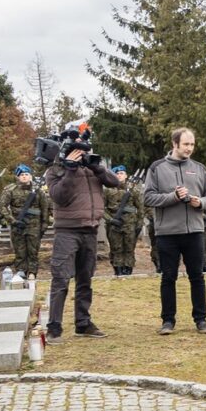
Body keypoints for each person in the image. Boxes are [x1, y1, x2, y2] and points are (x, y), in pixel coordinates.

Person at [44, 135, 121, 344]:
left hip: (91, 230)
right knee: (60, 279)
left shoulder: (91, 167)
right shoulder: (55, 170)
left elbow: (115, 182)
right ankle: (54, 328)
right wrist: (70, 169)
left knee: (85, 279)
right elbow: (59, 196)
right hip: (67, 231)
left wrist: (97, 167)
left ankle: (83, 323)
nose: (82, 152)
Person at [143, 128, 206, 336]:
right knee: (168, 277)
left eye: (192, 144)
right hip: (167, 233)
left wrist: (199, 202)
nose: (190, 149)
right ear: (174, 144)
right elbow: (148, 197)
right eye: (186, 144)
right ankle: (168, 321)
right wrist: (173, 197)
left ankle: (201, 319)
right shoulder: (157, 168)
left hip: (194, 231)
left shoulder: (199, 168)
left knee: (197, 276)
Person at [0, 164, 49, 278]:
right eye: (21, 175)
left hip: (34, 225)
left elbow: (45, 208)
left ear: (31, 176)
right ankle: (21, 271)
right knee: (20, 251)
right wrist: (12, 221)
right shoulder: (10, 190)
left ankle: (32, 272)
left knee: (33, 251)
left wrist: (44, 224)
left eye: (27, 174)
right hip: (18, 225)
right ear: (17, 177)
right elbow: (1, 206)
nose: (24, 177)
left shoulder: (38, 191)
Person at [103, 165, 145, 276]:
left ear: (126, 175)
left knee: (129, 248)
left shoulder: (133, 189)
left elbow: (140, 207)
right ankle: (118, 270)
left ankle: (128, 269)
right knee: (116, 248)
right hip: (114, 224)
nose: (119, 175)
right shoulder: (107, 190)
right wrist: (111, 220)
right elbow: (101, 208)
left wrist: (140, 224)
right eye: (116, 173)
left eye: (121, 173)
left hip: (130, 223)